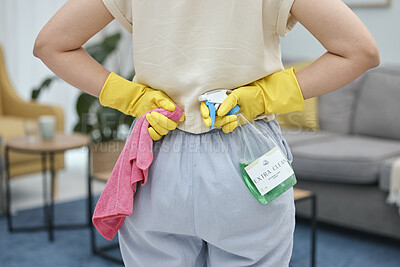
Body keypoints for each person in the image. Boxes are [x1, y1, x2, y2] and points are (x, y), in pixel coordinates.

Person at [33, 0, 379, 265]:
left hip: (156, 158)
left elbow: (51, 44)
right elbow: (359, 51)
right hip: (246, 153)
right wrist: (261, 97)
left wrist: (134, 98)